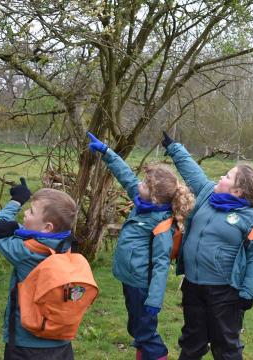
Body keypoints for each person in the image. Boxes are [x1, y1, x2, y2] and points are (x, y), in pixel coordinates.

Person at [161, 131, 253, 360]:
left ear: (237, 191)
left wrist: (248, 293)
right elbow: (191, 171)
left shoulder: (251, 220)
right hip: (193, 286)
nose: (220, 178)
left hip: (225, 294)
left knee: (225, 346)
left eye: (227, 176)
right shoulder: (207, 195)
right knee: (191, 342)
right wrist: (175, 148)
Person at [87, 132, 194, 360]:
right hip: (130, 279)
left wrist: (154, 300)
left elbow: (161, 264)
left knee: (145, 333)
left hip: (142, 288)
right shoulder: (143, 204)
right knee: (137, 329)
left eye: (145, 184)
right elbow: (125, 175)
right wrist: (107, 153)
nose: (139, 184)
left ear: (155, 197)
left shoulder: (162, 224)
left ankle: (158, 356)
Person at [0, 178, 78, 360]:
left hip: (26, 344)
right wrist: (19, 228)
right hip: (61, 341)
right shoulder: (67, 245)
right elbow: (37, 235)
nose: (25, 213)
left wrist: (16, 201)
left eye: (31, 211)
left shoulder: (25, 253)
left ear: (47, 227)